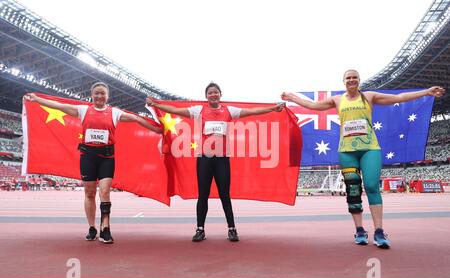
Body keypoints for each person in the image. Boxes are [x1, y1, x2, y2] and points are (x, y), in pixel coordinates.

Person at [282, 70, 445, 249]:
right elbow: (313, 106)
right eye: (348, 78)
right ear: (344, 81)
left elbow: (399, 97)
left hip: (370, 148)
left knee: (372, 186)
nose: (352, 80)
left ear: (359, 80)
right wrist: (293, 98)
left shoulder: (369, 96)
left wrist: (426, 92)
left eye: (355, 77)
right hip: (347, 151)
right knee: (353, 189)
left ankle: (379, 232)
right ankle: (359, 230)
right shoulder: (337, 100)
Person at [24, 82, 162, 244]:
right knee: (89, 193)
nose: (99, 96)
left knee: (105, 192)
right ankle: (92, 227)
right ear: (92, 95)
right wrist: (37, 99)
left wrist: (156, 129)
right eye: (96, 93)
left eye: (102, 93)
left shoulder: (114, 113)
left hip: (106, 158)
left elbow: (136, 118)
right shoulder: (83, 110)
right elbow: (59, 106)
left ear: (107, 96)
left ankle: (106, 228)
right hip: (88, 157)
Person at [147, 82, 284, 242]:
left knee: (225, 195)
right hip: (204, 158)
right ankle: (200, 230)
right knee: (203, 195)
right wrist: (156, 104)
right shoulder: (199, 110)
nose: (213, 95)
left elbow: (252, 112)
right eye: (210, 93)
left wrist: (273, 108)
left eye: (216, 92)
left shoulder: (229, 111)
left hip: (222, 159)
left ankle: (232, 229)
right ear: (206, 96)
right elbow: (176, 110)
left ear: (220, 94)